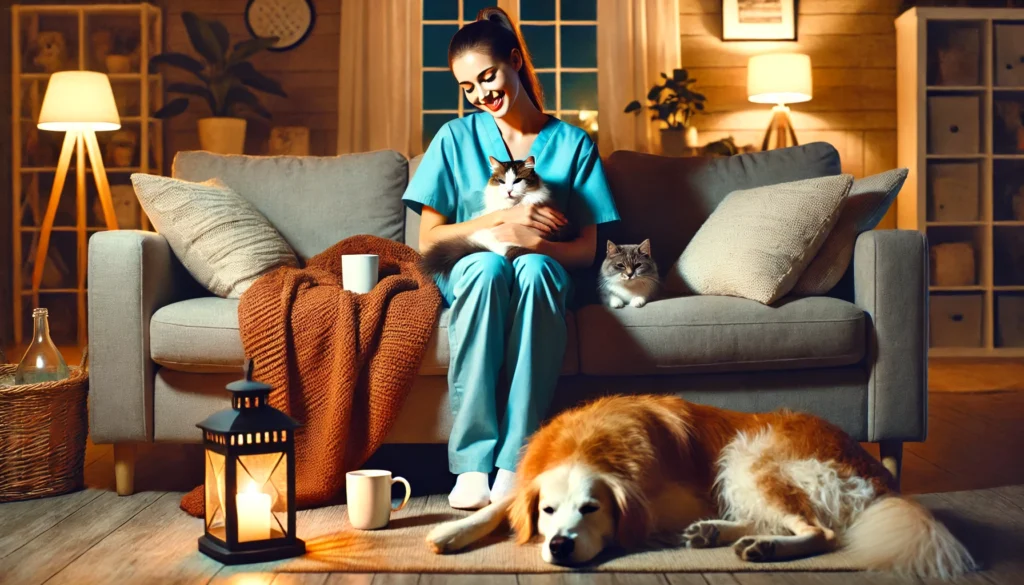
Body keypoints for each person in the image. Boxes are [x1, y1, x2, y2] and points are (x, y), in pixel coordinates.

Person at [402, 6, 620, 510]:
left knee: (540, 269)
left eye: (488, 76)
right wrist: (500, 226)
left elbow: (587, 251)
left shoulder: (573, 144)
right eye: (468, 87)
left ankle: (516, 460)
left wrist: (533, 243)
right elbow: (430, 241)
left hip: (542, 268)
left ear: (515, 62)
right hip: (475, 266)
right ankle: (473, 465)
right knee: (482, 267)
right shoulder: (454, 138)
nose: (481, 94)